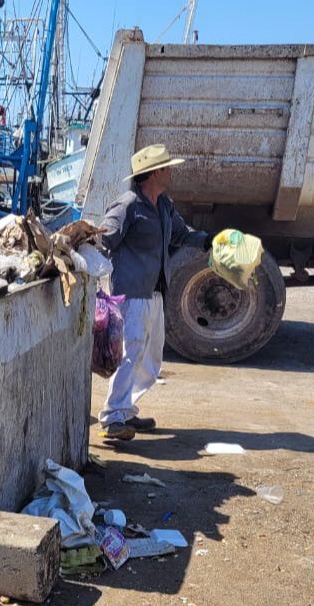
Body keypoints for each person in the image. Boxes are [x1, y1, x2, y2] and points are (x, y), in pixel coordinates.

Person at [98, 143, 212, 441]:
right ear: (153, 173)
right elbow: (104, 239)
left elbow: (181, 234)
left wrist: (207, 241)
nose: (170, 172)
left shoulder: (163, 205)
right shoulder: (127, 206)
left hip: (155, 291)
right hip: (131, 292)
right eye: (166, 167)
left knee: (150, 357)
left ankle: (125, 410)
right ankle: (112, 417)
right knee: (130, 352)